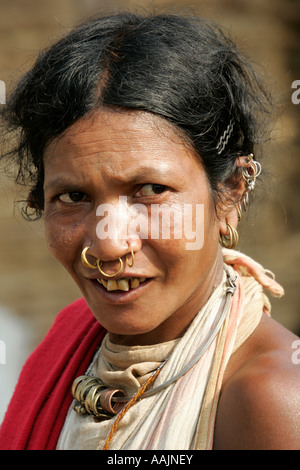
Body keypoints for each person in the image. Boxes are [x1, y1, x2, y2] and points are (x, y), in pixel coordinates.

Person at [0, 11, 299, 451]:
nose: (108, 244)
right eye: (73, 197)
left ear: (231, 194)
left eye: (151, 190)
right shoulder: (68, 347)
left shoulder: (271, 400)